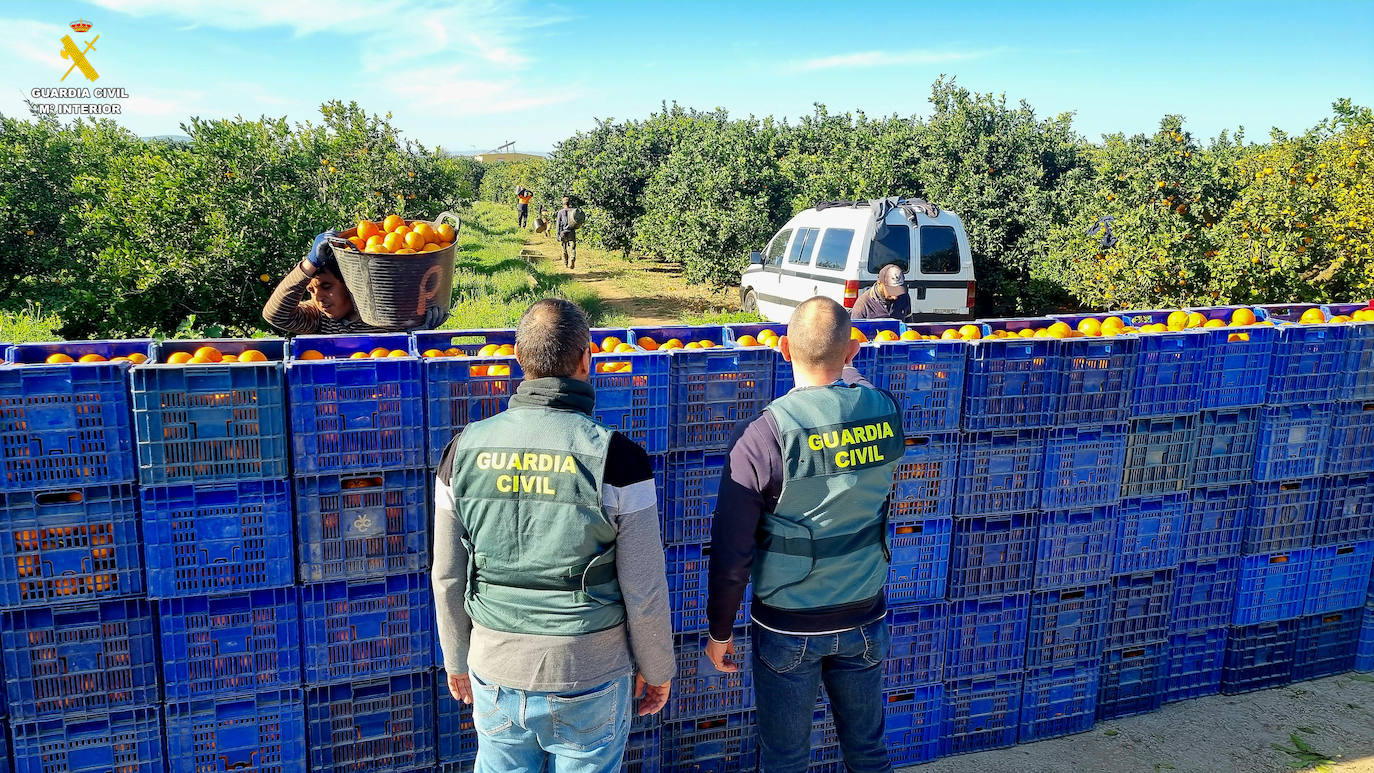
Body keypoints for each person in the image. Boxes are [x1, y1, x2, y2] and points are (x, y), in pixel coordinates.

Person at [432, 298, 674, 773]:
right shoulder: (618, 458)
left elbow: (446, 575)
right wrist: (658, 668)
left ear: (519, 361)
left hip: (494, 666)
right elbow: (644, 587)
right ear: (586, 359)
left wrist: (457, 657)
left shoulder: (462, 450)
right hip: (589, 672)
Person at [705, 296, 905, 773]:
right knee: (869, 751)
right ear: (853, 352)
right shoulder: (885, 410)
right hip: (865, 615)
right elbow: (855, 392)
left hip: (788, 625)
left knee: (785, 759)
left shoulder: (762, 436)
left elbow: (732, 552)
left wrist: (719, 630)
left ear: (782, 349)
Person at [262, 231, 388, 334]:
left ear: (350, 283)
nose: (318, 297)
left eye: (326, 287)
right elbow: (276, 316)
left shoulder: (383, 312)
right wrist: (310, 263)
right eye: (311, 290)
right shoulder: (318, 317)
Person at [556, 196, 583, 269]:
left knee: (564, 248)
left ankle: (566, 263)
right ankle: (572, 258)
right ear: (569, 203)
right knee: (572, 247)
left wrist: (557, 235)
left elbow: (558, 224)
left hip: (563, 232)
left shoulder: (560, 212)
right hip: (571, 231)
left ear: (563, 203)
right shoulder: (573, 211)